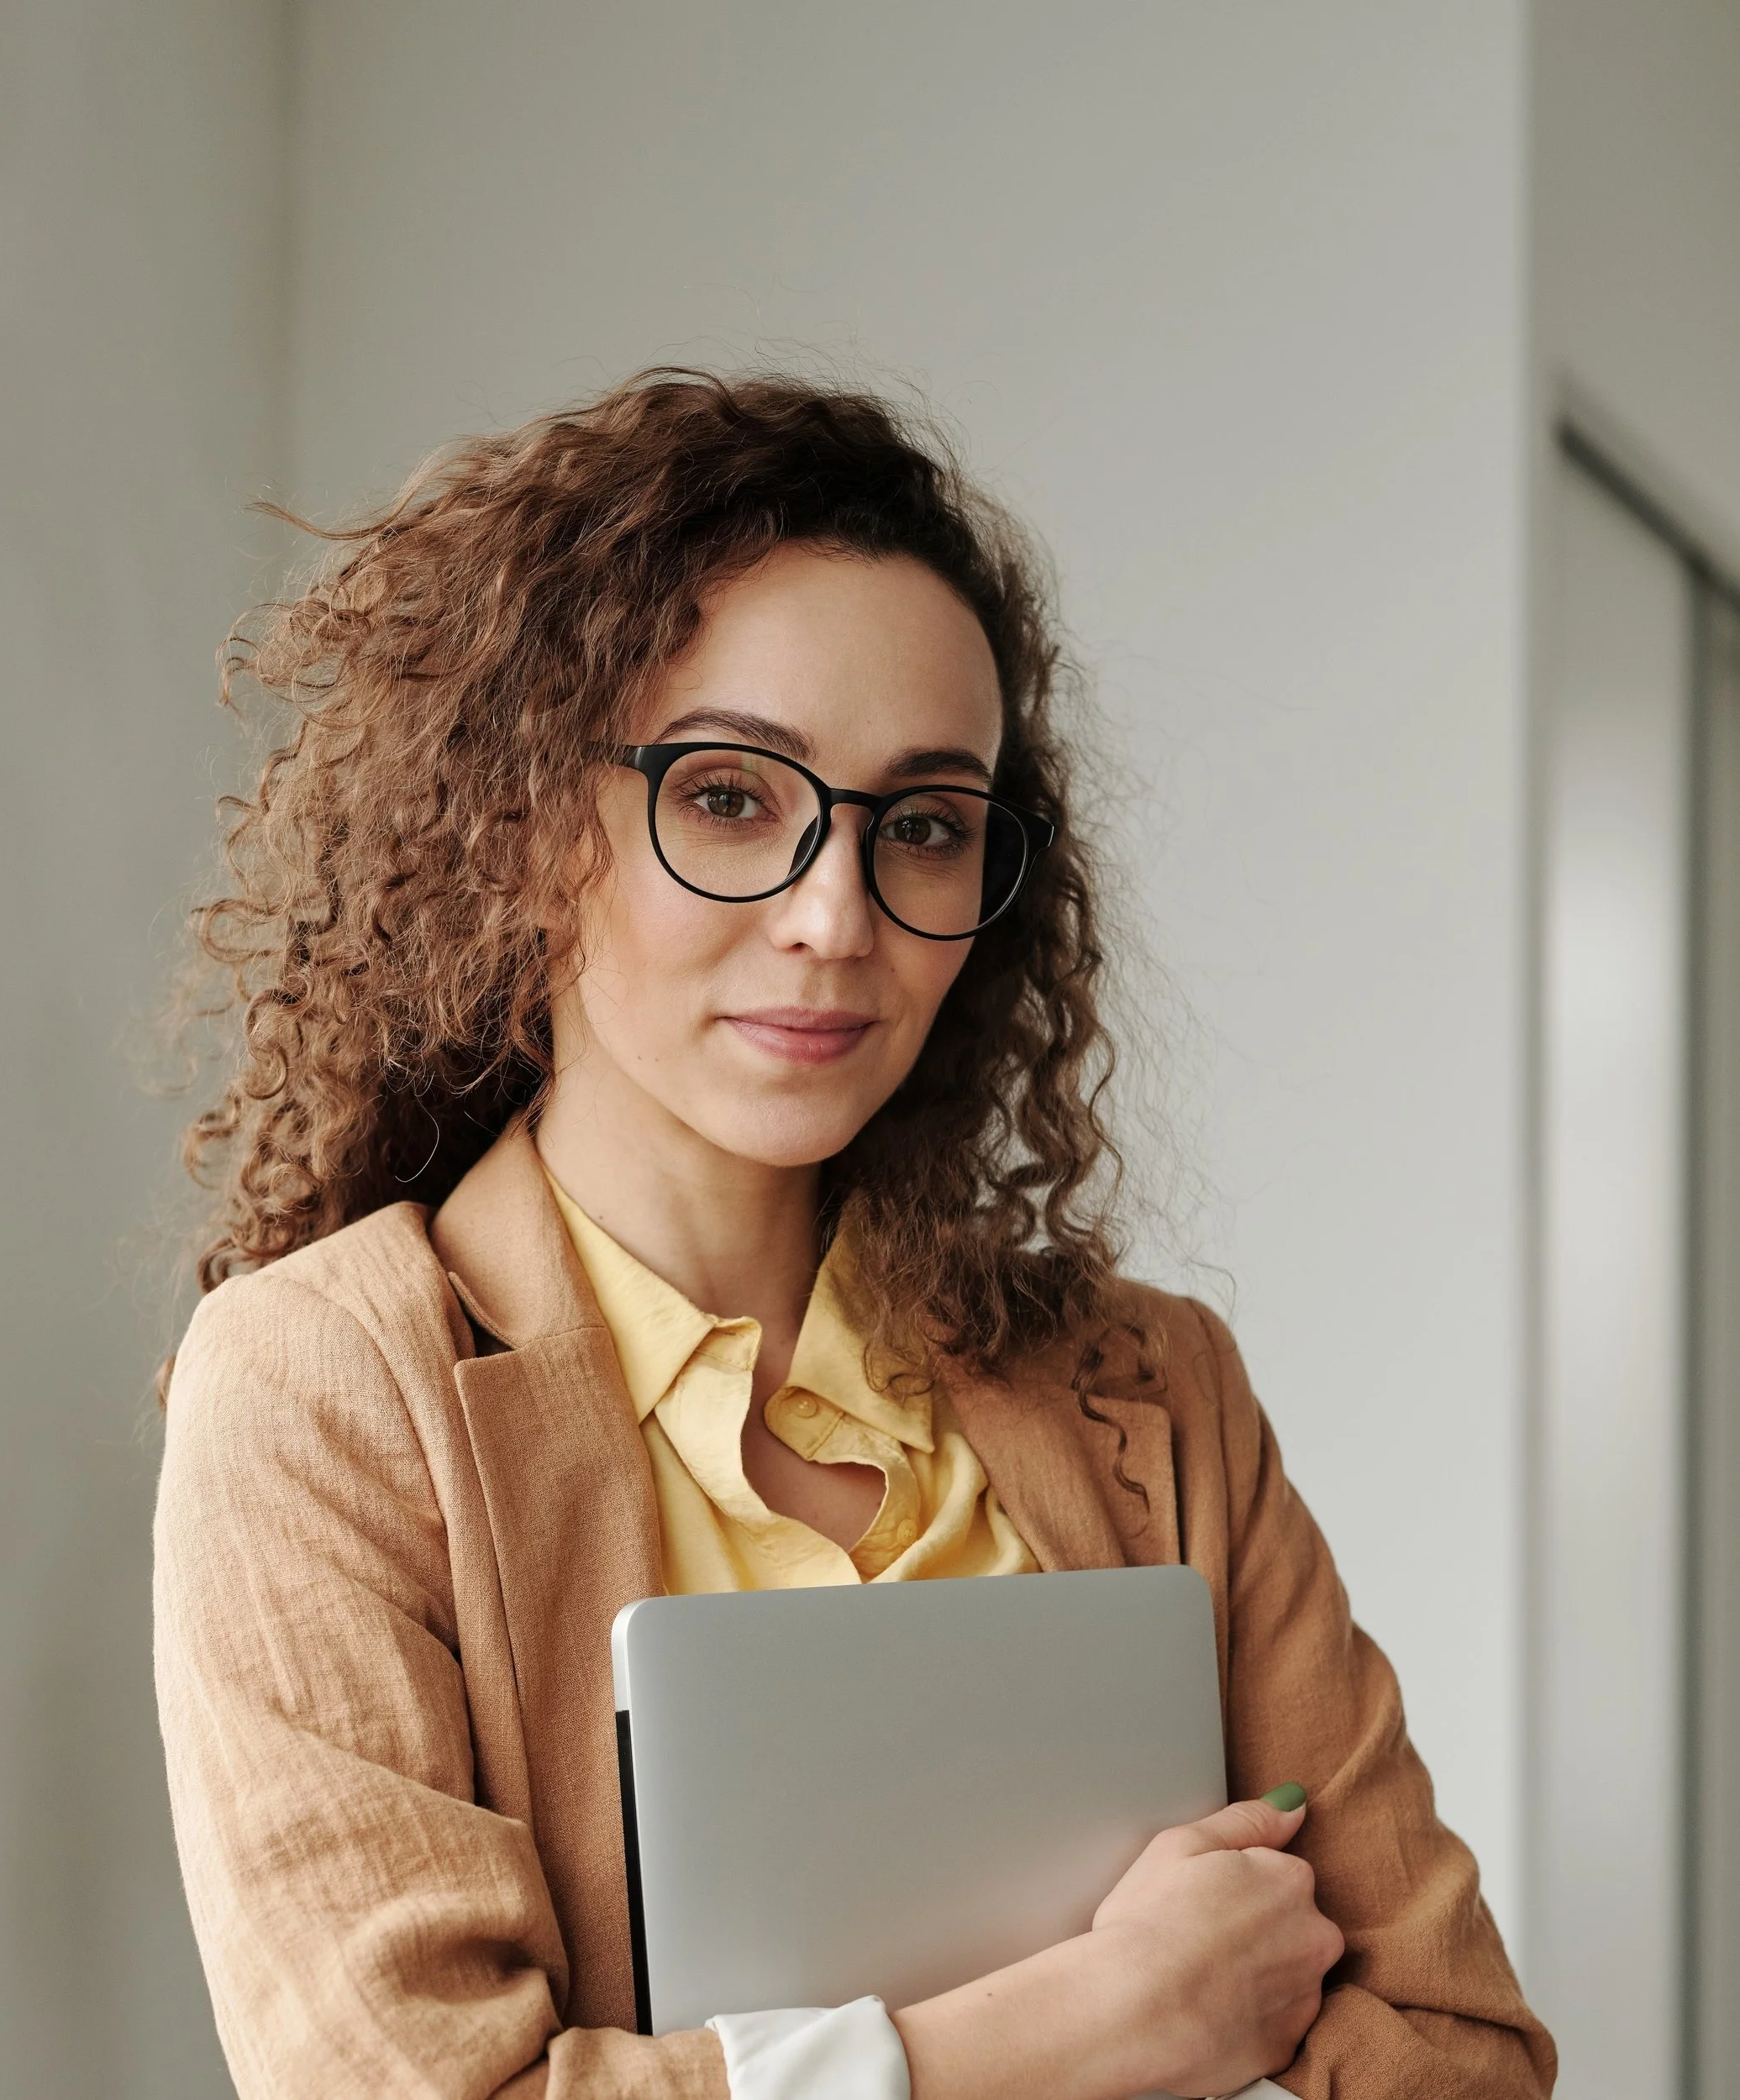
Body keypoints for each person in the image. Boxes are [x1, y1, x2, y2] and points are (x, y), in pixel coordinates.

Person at [152, 371, 1554, 2100]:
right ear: (528, 823)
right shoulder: (326, 1384)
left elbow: (1461, 2055)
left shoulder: (1150, 1383)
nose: (836, 916)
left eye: (922, 823)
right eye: (731, 795)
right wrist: (1095, 2025)